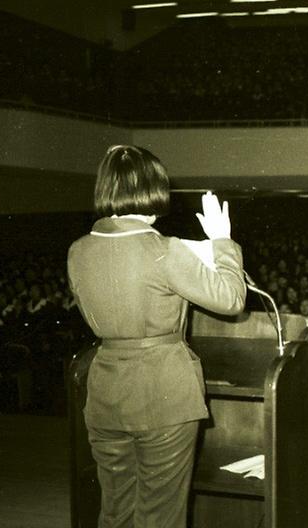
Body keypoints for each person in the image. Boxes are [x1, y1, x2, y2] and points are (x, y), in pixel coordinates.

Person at [67, 145, 246, 528]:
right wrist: (222, 241)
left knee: (116, 512)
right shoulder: (167, 251)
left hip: (105, 395)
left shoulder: (77, 251)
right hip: (164, 396)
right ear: (154, 189)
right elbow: (232, 300)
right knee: (160, 515)